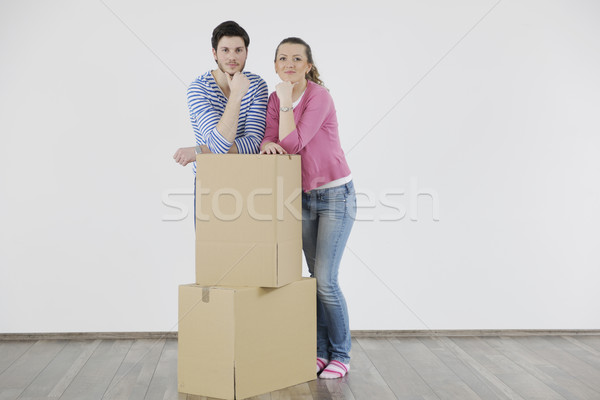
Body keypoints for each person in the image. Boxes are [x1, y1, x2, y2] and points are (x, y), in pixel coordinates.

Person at [260, 37, 355, 379]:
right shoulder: (275, 98)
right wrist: (270, 140)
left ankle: (341, 354)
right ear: (275, 65)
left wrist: (285, 104)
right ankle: (319, 352)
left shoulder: (319, 97)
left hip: (334, 196)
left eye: (297, 59)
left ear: (308, 65)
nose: (289, 64)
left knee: (326, 280)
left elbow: (292, 145)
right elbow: (269, 140)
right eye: (282, 58)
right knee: (312, 280)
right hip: (300, 197)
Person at [173, 20, 268, 168]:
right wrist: (236, 95)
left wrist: (200, 150)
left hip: (248, 173)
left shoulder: (256, 85)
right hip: (211, 175)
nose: (232, 57)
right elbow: (218, 145)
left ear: (246, 53)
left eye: (238, 50)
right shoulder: (198, 88)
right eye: (225, 50)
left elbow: (254, 145)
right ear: (214, 53)